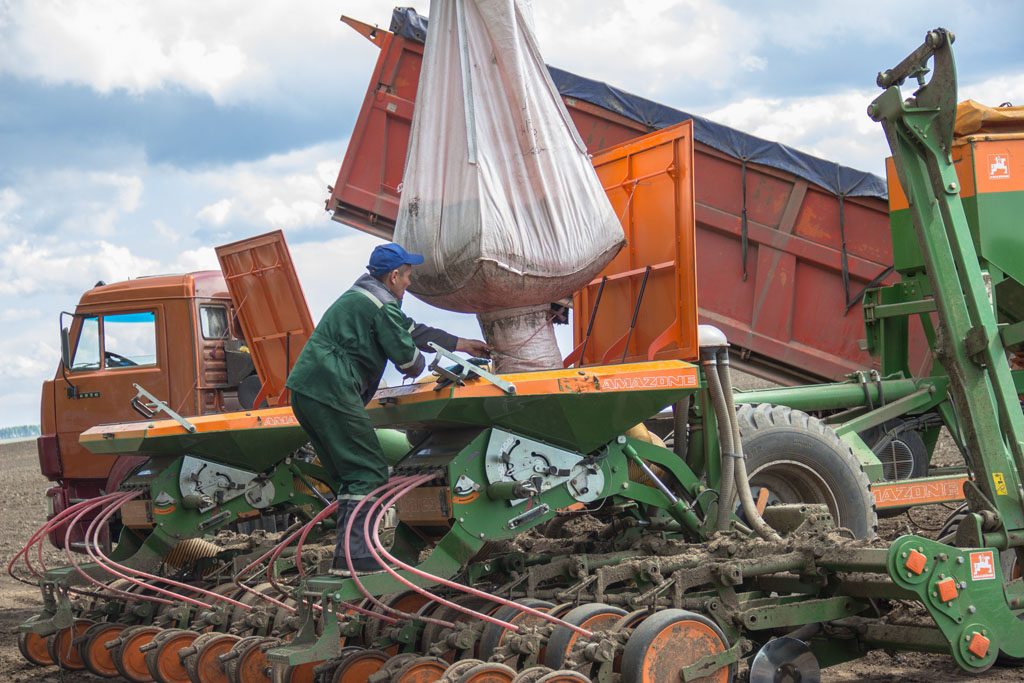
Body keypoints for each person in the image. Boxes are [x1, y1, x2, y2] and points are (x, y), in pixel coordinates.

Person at [285, 243, 490, 574]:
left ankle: (347, 558)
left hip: (306, 390)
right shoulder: (382, 305)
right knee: (367, 472)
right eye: (408, 276)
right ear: (394, 276)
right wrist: (431, 363)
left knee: (347, 476)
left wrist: (460, 344)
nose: (409, 283)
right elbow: (409, 360)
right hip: (332, 391)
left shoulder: (364, 296)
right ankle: (361, 562)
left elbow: (409, 330)